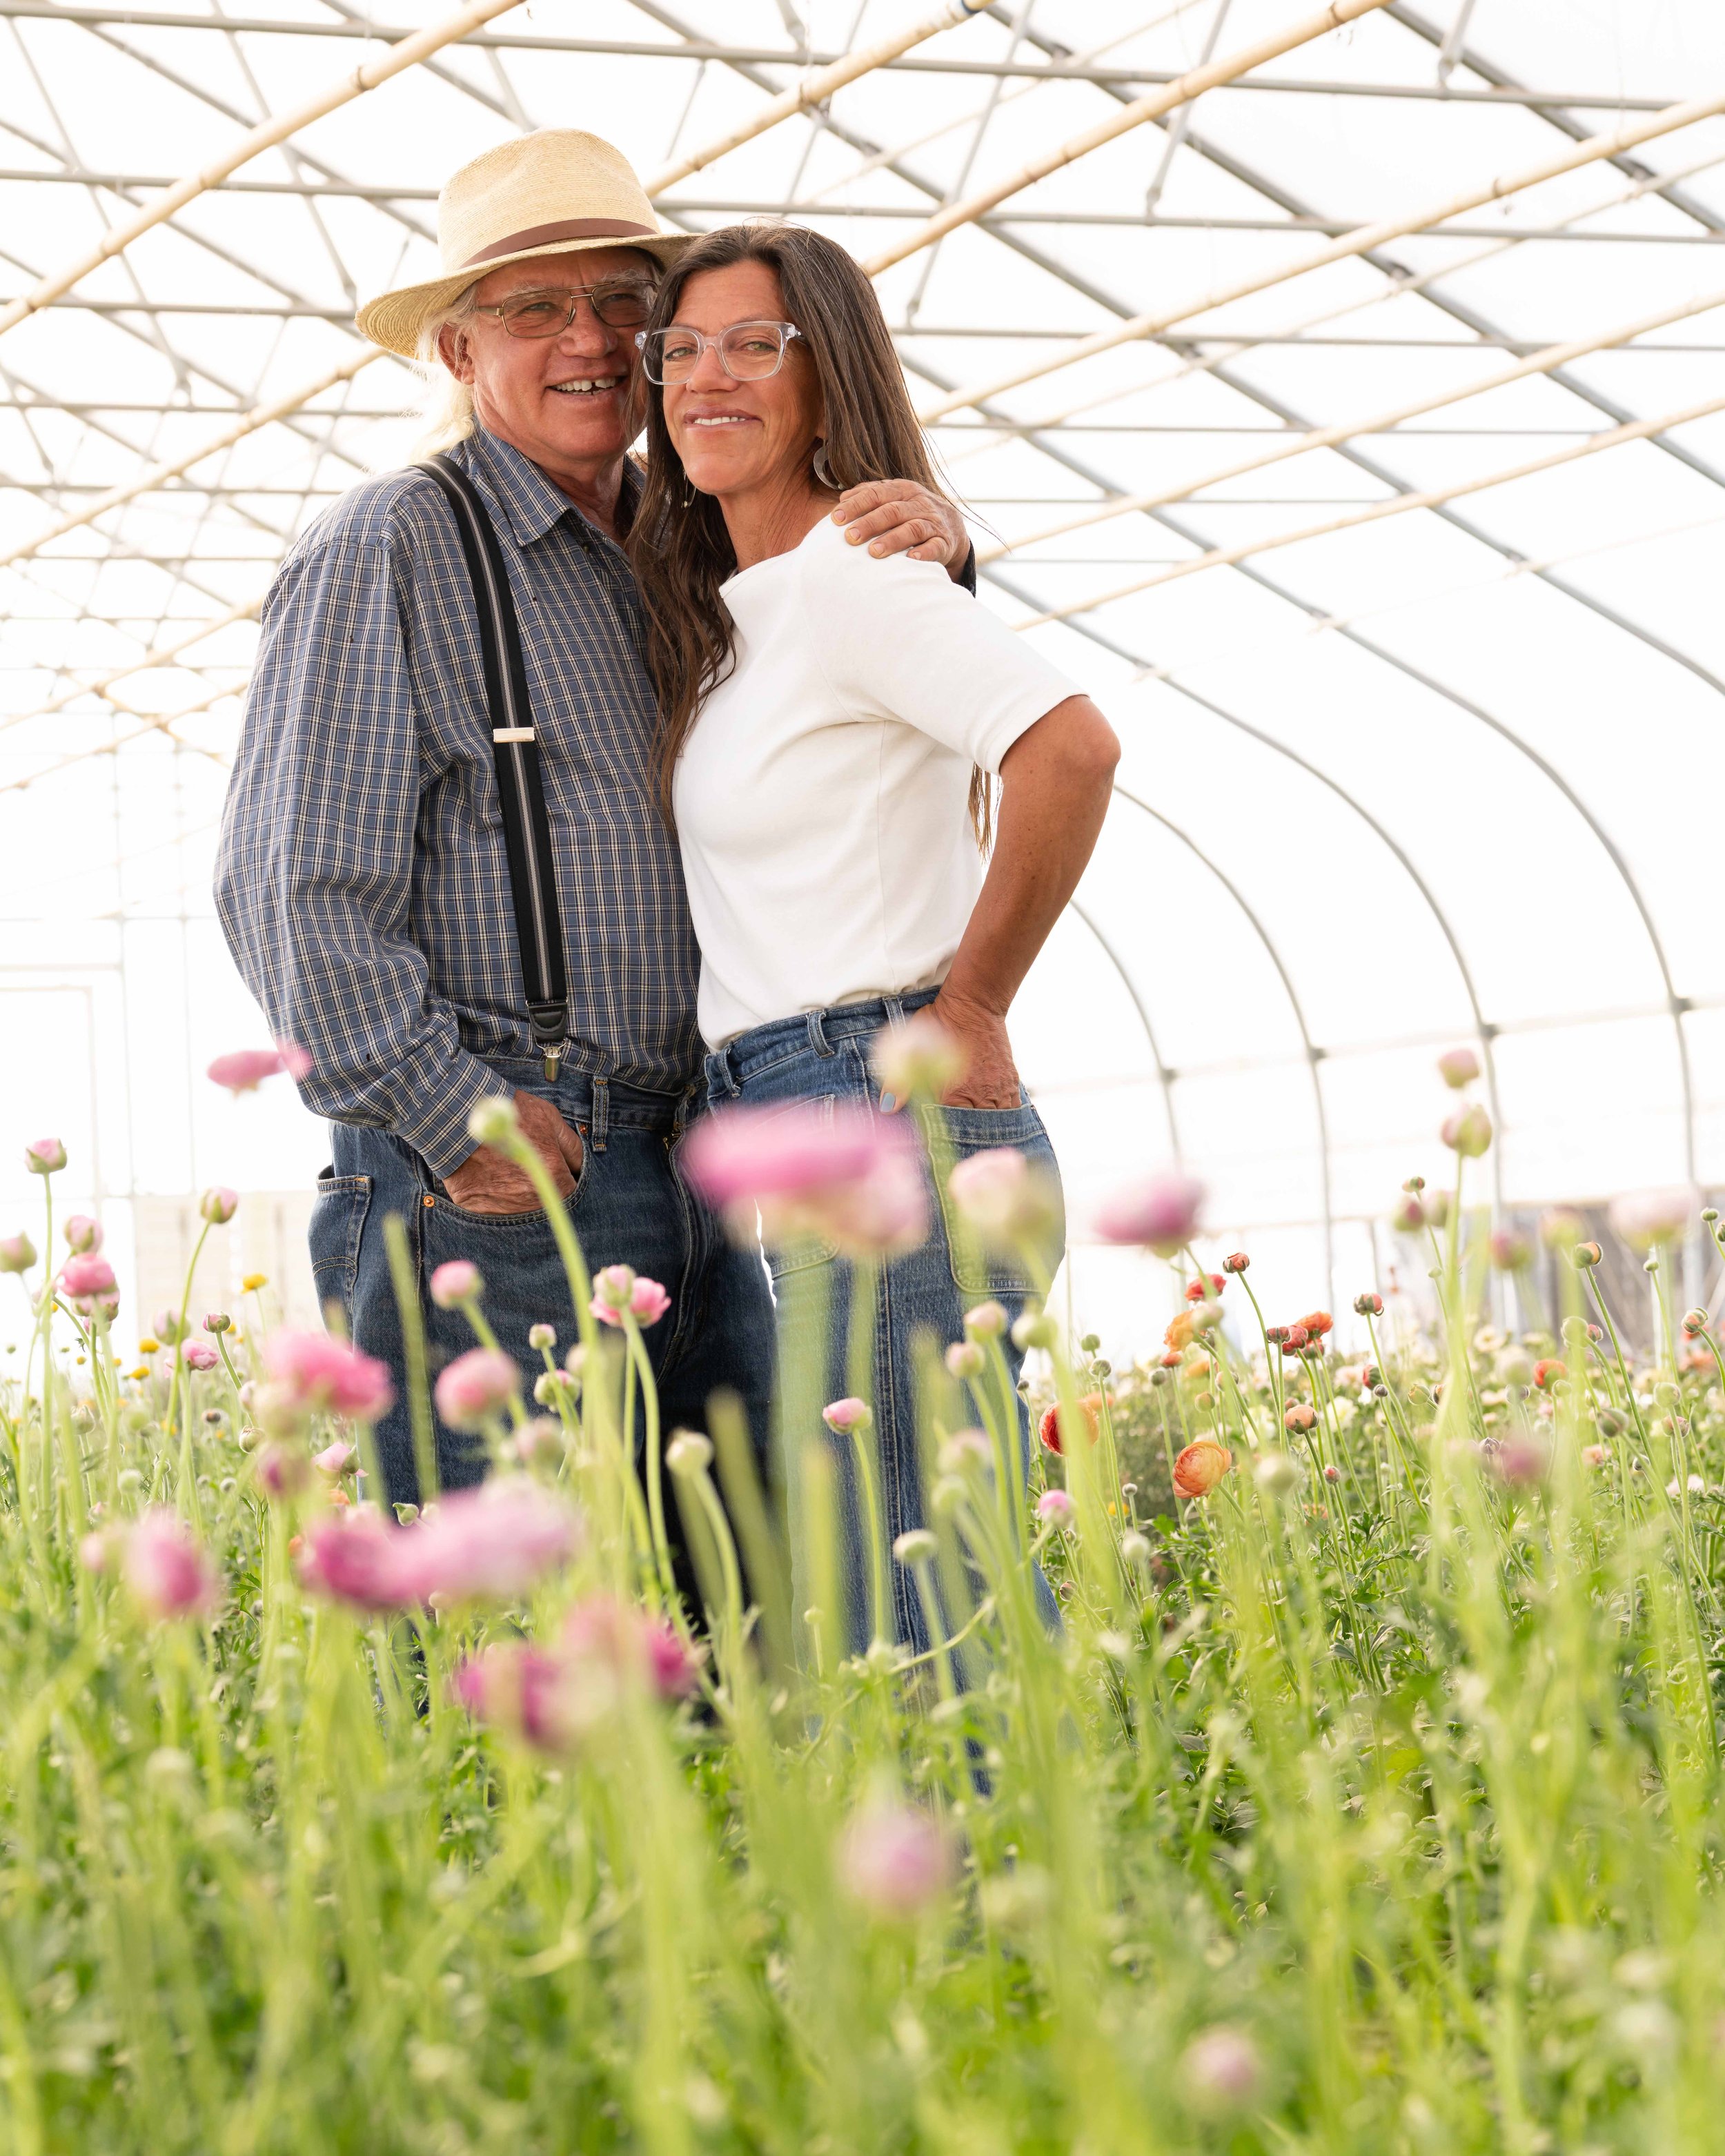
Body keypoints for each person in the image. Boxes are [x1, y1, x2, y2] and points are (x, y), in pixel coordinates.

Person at [214, 133, 974, 1507]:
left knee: (747, 1599)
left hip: (706, 1149)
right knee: (506, 1607)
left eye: (624, 303)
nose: (590, 340)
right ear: (458, 350)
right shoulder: (389, 545)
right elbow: (292, 892)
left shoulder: (694, 543)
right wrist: (458, 1121)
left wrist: (930, 539)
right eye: (534, 310)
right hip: (502, 1169)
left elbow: (860, 723)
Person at [626, 224, 1121, 1649]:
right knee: (905, 1574)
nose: (705, 378)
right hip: (805, 1103)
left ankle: (1025, 1802)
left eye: (753, 345)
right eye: (681, 349)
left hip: (880, 1094)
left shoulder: (853, 572)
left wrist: (970, 1009)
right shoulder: (744, 610)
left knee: (923, 1580)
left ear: (826, 375)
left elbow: (1069, 749)